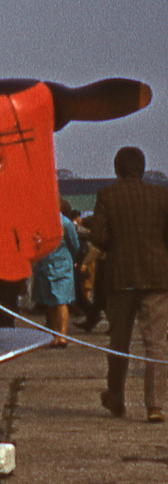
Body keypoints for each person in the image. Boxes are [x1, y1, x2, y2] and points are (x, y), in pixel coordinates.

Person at [86, 147, 168, 421]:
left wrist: (86, 263)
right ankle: (155, 405)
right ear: (143, 169)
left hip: (121, 279)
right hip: (157, 278)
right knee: (156, 343)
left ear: (117, 169)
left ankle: (116, 399)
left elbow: (100, 238)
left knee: (119, 342)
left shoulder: (107, 196)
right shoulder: (162, 195)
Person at [30, 199, 81, 347]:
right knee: (53, 301)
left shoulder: (61, 223)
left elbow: (74, 244)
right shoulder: (63, 222)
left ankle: (61, 334)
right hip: (54, 264)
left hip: (53, 264)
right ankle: (57, 334)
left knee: (58, 300)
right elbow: (75, 246)